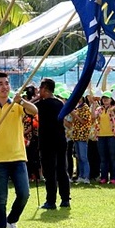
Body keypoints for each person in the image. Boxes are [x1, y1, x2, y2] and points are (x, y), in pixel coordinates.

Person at [0, 72, 37, 228]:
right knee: (1, 198)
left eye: (7, 83)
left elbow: (34, 111)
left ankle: (12, 220)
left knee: (24, 193)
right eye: (0, 83)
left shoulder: (16, 104)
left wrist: (21, 101)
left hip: (18, 156)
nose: (5, 86)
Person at [35, 78, 71, 208]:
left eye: (40, 89)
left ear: (44, 89)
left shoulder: (41, 105)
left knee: (49, 172)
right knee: (62, 169)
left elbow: (27, 108)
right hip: (60, 140)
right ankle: (65, 199)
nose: (39, 91)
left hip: (47, 141)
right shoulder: (60, 103)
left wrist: (36, 98)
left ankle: (51, 201)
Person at [93, 91, 115, 185]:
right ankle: (104, 177)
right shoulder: (99, 109)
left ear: (111, 100)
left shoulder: (113, 108)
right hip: (101, 136)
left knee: (113, 158)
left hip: (112, 136)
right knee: (103, 159)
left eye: (107, 98)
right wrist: (94, 104)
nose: (105, 100)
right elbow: (93, 116)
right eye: (104, 98)